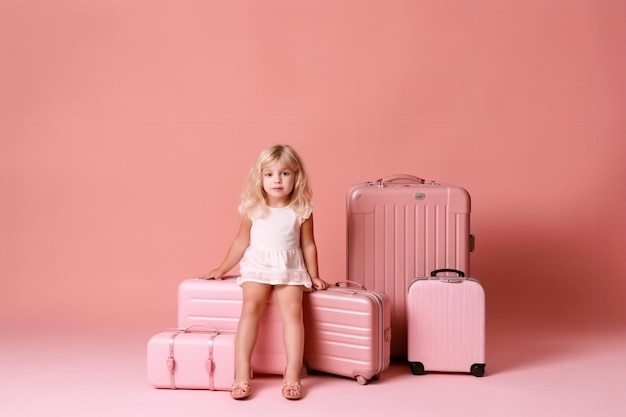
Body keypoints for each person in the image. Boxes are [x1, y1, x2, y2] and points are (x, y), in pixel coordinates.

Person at [200, 144, 329, 400]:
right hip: (258, 265)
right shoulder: (253, 207)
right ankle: (241, 375)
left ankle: (292, 374)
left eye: (284, 173)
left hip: (289, 266)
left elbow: (308, 244)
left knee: (293, 311)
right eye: (269, 174)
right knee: (250, 308)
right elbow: (240, 241)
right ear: (260, 178)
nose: (277, 180)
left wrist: (314, 275)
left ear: (296, 176)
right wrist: (221, 268)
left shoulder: (301, 209)